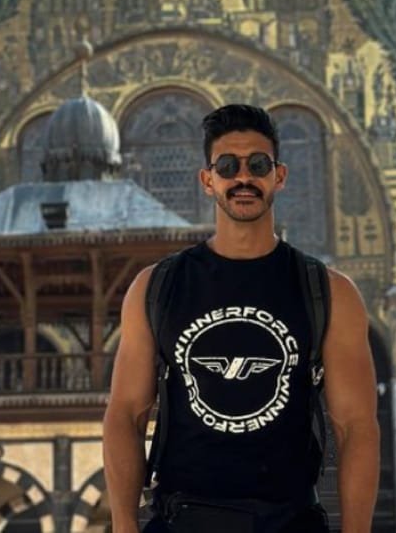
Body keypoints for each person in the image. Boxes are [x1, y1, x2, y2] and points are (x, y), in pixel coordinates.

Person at [103, 104, 380, 532]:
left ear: (279, 176)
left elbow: (356, 427)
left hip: (288, 522)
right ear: (207, 180)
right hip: (185, 520)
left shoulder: (329, 292)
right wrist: (124, 527)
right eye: (228, 166)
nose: (243, 178)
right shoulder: (158, 287)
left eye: (259, 165)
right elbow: (126, 413)